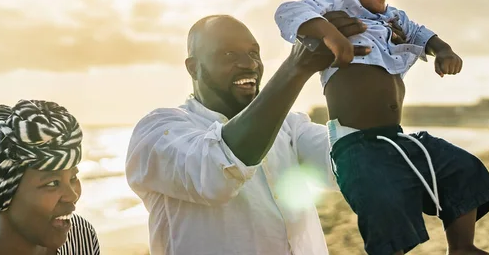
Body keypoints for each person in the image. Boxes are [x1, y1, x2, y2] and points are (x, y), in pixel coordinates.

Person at [274, 0, 489, 255]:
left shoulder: (391, 17)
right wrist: (330, 34)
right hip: (357, 145)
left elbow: (419, 33)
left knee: (461, 168)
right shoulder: (326, 3)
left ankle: (462, 246)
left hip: (396, 137)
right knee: (384, 205)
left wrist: (443, 50)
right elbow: (289, 12)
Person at [125, 13, 371, 255]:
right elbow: (218, 172)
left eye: (254, 53)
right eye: (229, 54)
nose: (250, 64)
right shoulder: (157, 131)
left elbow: (354, 163)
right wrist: (296, 68)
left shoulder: (289, 126)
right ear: (193, 68)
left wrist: (366, 67)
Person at [0, 99, 100, 255]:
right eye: (53, 183)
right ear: (2, 193)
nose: (72, 195)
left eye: (72, 178)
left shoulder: (82, 237)